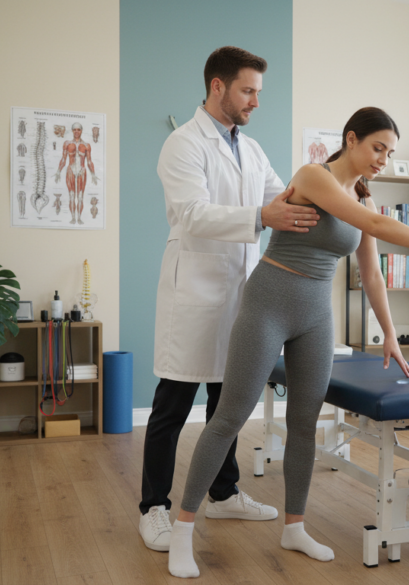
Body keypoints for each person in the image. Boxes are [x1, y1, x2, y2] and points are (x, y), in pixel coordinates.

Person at [168, 107, 409, 578]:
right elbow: (376, 228)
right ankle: (182, 530)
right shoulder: (313, 177)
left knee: (304, 423)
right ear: (352, 139)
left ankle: (294, 527)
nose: (383, 159)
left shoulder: (364, 201)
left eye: (390, 152)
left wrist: (391, 336)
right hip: (269, 302)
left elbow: (373, 273)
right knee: (229, 417)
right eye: (377, 147)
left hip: (317, 315)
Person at [138, 46, 322, 553]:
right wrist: (263, 217)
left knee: (229, 400)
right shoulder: (183, 144)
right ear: (217, 87)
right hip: (193, 291)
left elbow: (281, 196)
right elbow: (191, 213)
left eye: (259, 92)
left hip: (242, 293)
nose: (255, 101)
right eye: (248, 90)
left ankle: (223, 491)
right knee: (172, 404)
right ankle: (153, 507)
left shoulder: (251, 148)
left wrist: (329, 187)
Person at [54, 122, 98, 225]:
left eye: (78, 130)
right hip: (70, 171)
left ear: (81, 131)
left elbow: (89, 161)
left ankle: (79, 218)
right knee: (71, 196)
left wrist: (93, 174)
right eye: (75, 130)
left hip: (82, 171)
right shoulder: (67, 144)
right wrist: (58, 171)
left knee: (80, 196)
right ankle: (73, 217)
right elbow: (64, 159)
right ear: (72, 131)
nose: (76, 131)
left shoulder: (87, 145)